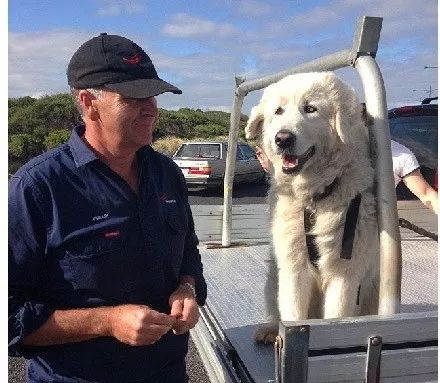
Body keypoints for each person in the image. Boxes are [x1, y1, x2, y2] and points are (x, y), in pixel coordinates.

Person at [9, 33, 207, 383]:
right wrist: (107, 321)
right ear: (89, 103)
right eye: (133, 97)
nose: (151, 108)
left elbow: (188, 252)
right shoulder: (37, 188)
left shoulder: (166, 174)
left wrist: (187, 288)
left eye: (153, 96)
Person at [254, 140, 438, 214]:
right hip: (325, 223)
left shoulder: (399, 154)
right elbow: (305, 185)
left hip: (371, 230)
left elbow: (427, 195)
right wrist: (276, 170)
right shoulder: (334, 150)